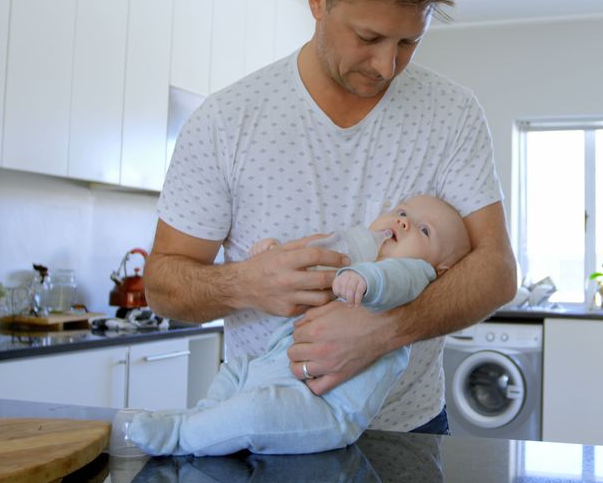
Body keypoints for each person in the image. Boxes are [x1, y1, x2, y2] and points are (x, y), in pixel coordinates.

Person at [144, 0, 517, 436]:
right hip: (260, 429)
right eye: (369, 37)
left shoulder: (452, 113)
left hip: (407, 429)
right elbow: (162, 285)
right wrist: (242, 284)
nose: (388, 65)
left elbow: (496, 271)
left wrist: (384, 330)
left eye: (409, 41)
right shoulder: (227, 119)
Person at [126, 195, 470, 456]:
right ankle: (203, 417)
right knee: (234, 371)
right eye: (402, 212)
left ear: (439, 270)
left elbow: (393, 280)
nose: (405, 222)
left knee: (255, 413)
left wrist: (362, 280)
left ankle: (182, 438)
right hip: (277, 372)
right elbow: (299, 281)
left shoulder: (414, 275)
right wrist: (270, 257)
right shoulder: (360, 261)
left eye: (425, 230)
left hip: (324, 409)